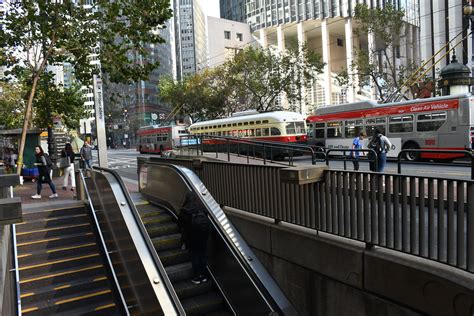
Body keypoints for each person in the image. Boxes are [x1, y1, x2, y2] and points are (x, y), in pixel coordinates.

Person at [178, 191, 211, 285]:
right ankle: (203, 276)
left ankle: (197, 277)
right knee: (202, 255)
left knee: (194, 255)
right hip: (203, 236)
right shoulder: (202, 208)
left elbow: (180, 225)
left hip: (192, 237)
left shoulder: (184, 210)